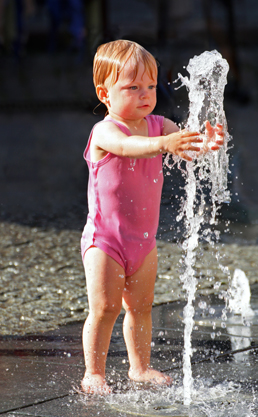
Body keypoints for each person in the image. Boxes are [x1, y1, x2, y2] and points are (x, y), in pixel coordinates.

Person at [80, 39, 225, 394]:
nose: (144, 94)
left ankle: (139, 368)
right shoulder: (106, 131)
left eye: (150, 86)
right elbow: (129, 148)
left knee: (141, 307)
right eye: (132, 87)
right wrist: (164, 145)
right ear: (105, 93)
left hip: (143, 242)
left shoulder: (159, 124)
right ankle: (93, 372)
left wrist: (207, 143)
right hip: (105, 240)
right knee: (105, 308)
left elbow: (187, 147)